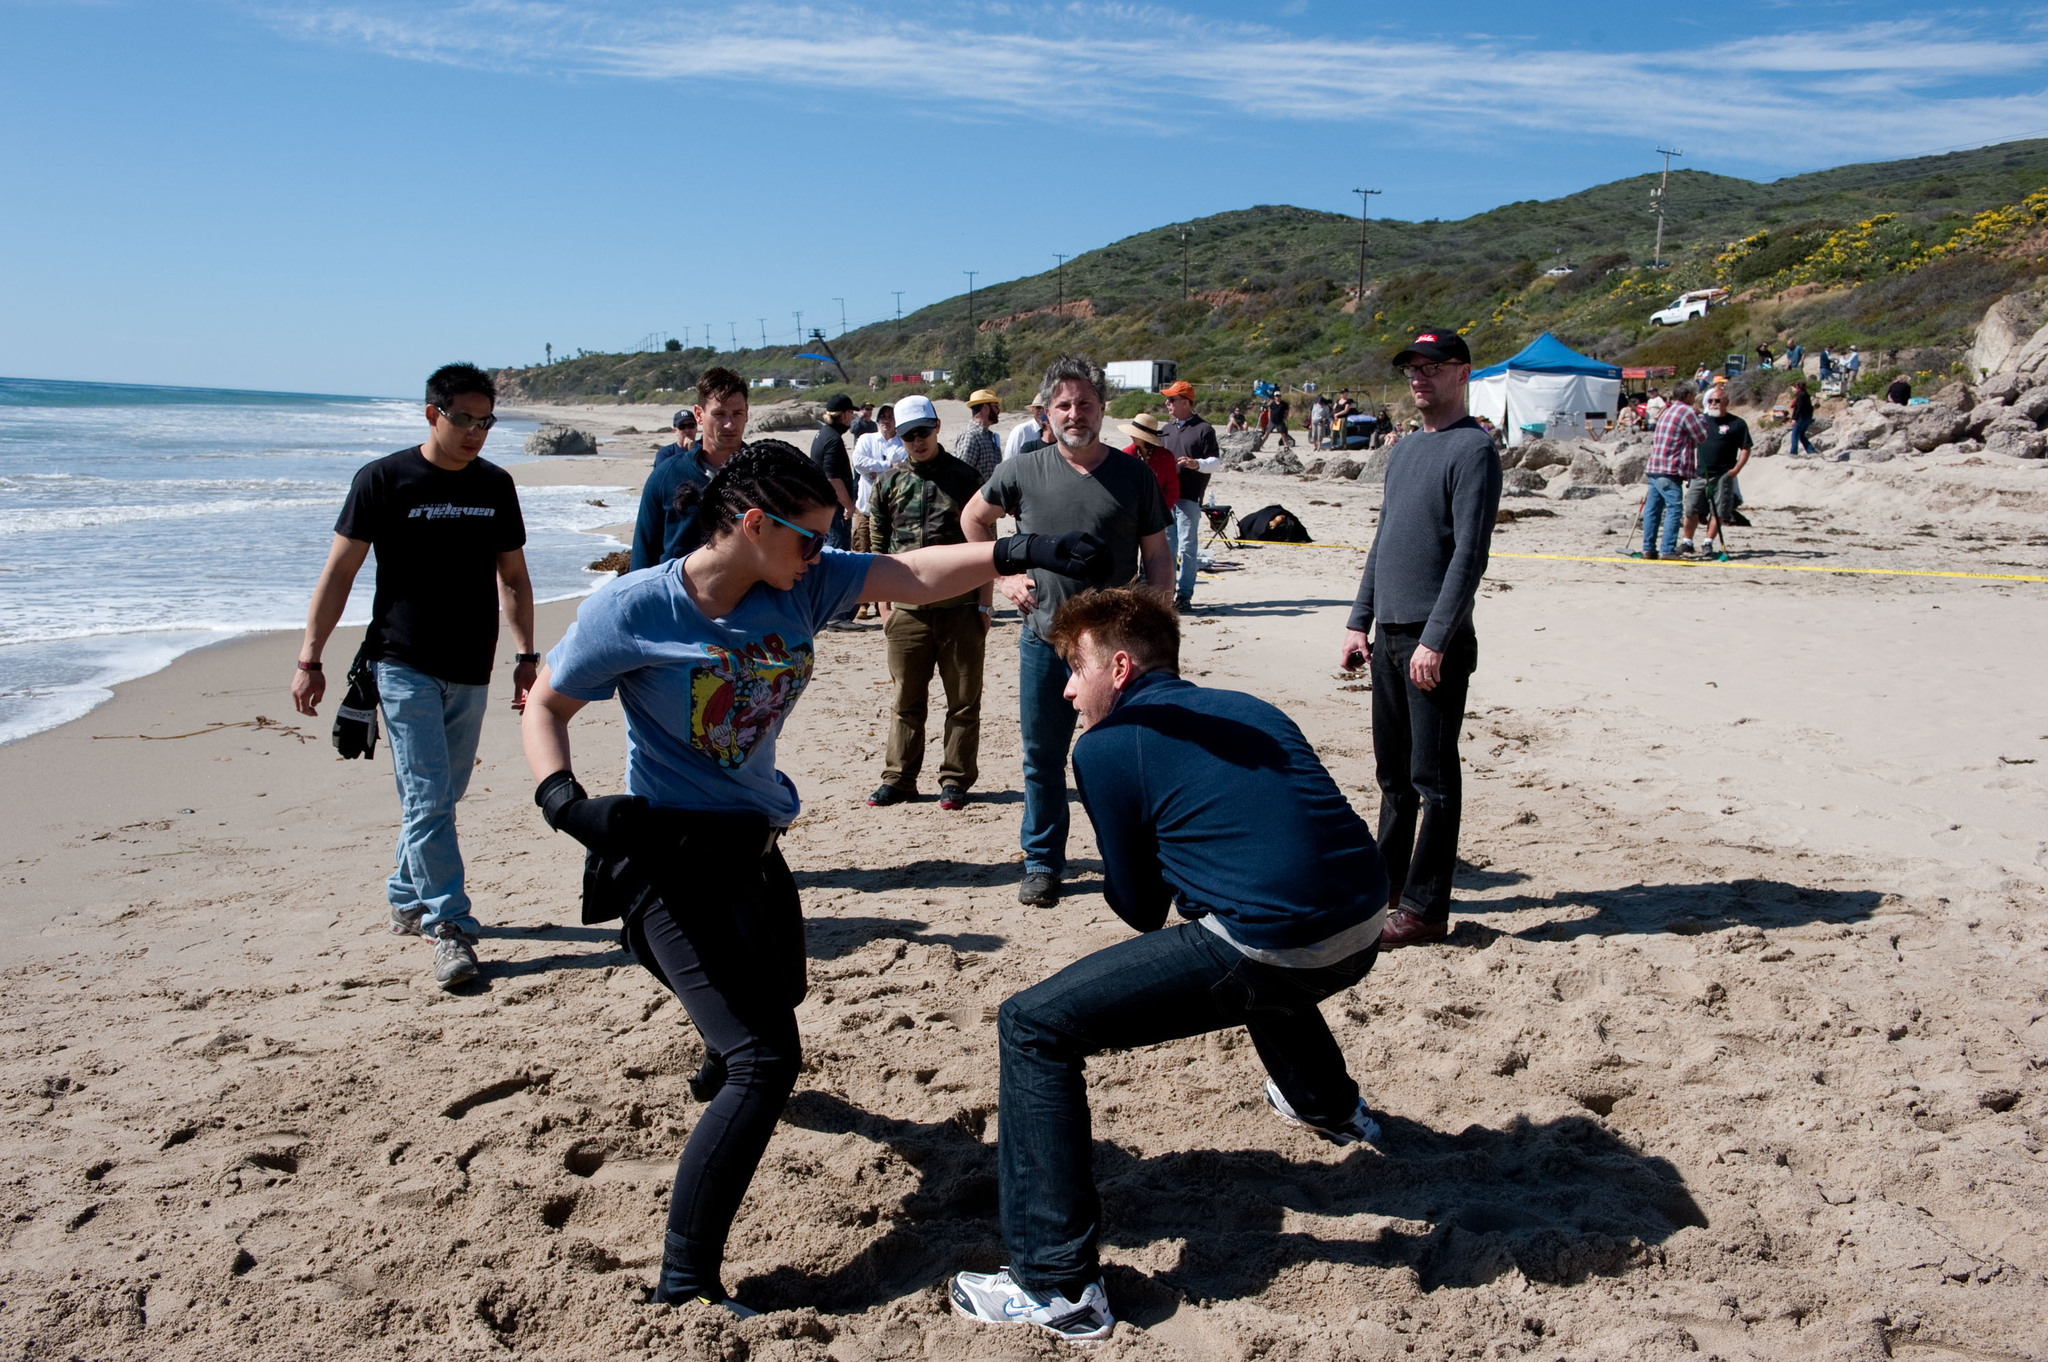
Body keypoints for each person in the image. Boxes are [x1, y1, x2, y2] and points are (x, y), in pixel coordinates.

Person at [521, 441, 1111, 1316]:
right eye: (810, 535)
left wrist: (1016, 552)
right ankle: (683, 1283)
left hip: (754, 848)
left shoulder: (803, 581)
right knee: (766, 1063)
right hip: (666, 864)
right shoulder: (634, 608)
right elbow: (547, 702)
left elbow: (907, 572)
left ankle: (717, 1065)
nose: (823, 552)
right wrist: (564, 800)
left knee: (774, 1004)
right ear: (752, 525)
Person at [948, 589, 1390, 1343]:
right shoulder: (1248, 706)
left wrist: (1140, 844)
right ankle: (1329, 1105)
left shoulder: (1105, 746)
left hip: (1279, 942)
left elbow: (1138, 906)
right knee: (1234, 927)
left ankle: (1057, 1288)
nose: (1065, 688)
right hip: (1366, 923)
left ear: (1118, 668)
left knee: (1033, 1026)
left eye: (1073, 668)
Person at [290, 363, 536, 989]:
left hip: (472, 666)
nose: (477, 432)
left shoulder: (495, 485)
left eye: (486, 421)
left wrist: (525, 658)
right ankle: (449, 926)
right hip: (401, 662)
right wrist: (310, 658)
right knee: (427, 798)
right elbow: (339, 574)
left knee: (442, 797)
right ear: (433, 414)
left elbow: (512, 578)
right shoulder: (383, 479)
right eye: (465, 419)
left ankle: (404, 892)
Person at [964, 354, 1175, 908]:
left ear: (1103, 408)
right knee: (1043, 756)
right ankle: (1041, 861)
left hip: (1116, 650)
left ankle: (1134, 861)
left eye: (1084, 403)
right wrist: (1005, 576)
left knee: (1129, 753)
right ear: (1046, 413)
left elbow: (1157, 555)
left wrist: (1158, 624)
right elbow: (973, 519)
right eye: (1064, 404)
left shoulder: (1135, 475)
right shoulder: (1022, 469)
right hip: (1043, 637)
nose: (1074, 413)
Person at [1338, 330, 1500, 949]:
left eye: (1432, 367)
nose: (1419, 376)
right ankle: (1386, 887)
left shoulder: (1474, 450)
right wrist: (1360, 620)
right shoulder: (1405, 450)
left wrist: (1435, 638)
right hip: (1390, 637)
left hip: (1437, 643)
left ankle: (1428, 910)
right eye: (1412, 367)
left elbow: (1469, 556)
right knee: (1393, 778)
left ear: (1462, 373)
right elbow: (1384, 542)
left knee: (1434, 781)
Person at [866, 395, 990, 810]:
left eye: (922, 431)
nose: (916, 441)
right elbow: (877, 545)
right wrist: (883, 604)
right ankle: (899, 778)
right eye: (907, 435)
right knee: (905, 700)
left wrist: (985, 603)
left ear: (937, 426)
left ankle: (955, 779)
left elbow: (986, 544)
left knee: (964, 701)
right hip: (906, 611)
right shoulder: (888, 482)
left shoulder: (966, 478)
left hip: (960, 608)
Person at [632, 368, 750, 571]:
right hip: (679, 598)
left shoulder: (767, 475)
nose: (730, 424)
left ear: (747, 413)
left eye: (737, 413)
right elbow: (643, 557)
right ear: (699, 414)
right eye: (719, 414)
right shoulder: (665, 476)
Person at [1161, 380, 1220, 611]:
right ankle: (1167, 593)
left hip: (1189, 496)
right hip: (1165, 497)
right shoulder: (1166, 429)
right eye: (1168, 399)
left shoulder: (1204, 429)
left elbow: (1215, 461)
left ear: (1186, 402)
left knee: (1187, 547)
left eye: (1172, 399)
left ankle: (1184, 595)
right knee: (1167, 547)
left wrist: (1196, 464)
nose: (1167, 403)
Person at [1682, 387, 1751, 562]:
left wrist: (1736, 470)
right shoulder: (1702, 420)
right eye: (1711, 401)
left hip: (1723, 474)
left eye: (1717, 401)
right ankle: (1687, 541)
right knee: (1691, 507)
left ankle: (1708, 542)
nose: (1713, 404)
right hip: (1700, 473)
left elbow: (1745, 448)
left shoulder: (1737, 423)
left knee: (1718, 510)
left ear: (1726, 402)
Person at [849, 403, 905, 555]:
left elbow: (904, 469)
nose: (886, 421)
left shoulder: (903, 444)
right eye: (883, 417)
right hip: (866, 511)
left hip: (892, 515)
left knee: (889, 558)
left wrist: (877, 471)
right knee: (860, 555)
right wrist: (887, 466)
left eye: (890, 417)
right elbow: (859, 463)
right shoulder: (867, 439)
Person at [957, 388, 1005, 481]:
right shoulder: (971, 435)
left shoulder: (987, 435)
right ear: (985, 408)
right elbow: (961, 474)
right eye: (995, 406)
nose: (998, 411)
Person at [1787, 381, 1818, 456]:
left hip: (1801, 417)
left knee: (1795, 434)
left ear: (1798, 388)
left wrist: (1794, 419)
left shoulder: (1800, 395)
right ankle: (1811, 450)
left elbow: (1798, 408)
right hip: (1807, 417)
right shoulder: (1806, 395)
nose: (1792, 389)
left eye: (1794, 388)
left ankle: (1793, 452)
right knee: (1801, 435)